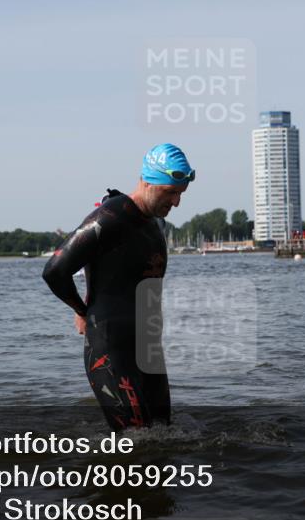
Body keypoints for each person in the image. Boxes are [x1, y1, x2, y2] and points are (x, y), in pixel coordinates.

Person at [42, 143, 193, 431]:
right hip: (110, 350)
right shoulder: (111, 216)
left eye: (180, 194)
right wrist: (81, 310)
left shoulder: (154, 223)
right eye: (170, 192)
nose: (176, 202)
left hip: (148, 348)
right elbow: (55, 271)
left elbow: (110, 269)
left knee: (162, 438)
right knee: (135, 441)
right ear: (147, 181)